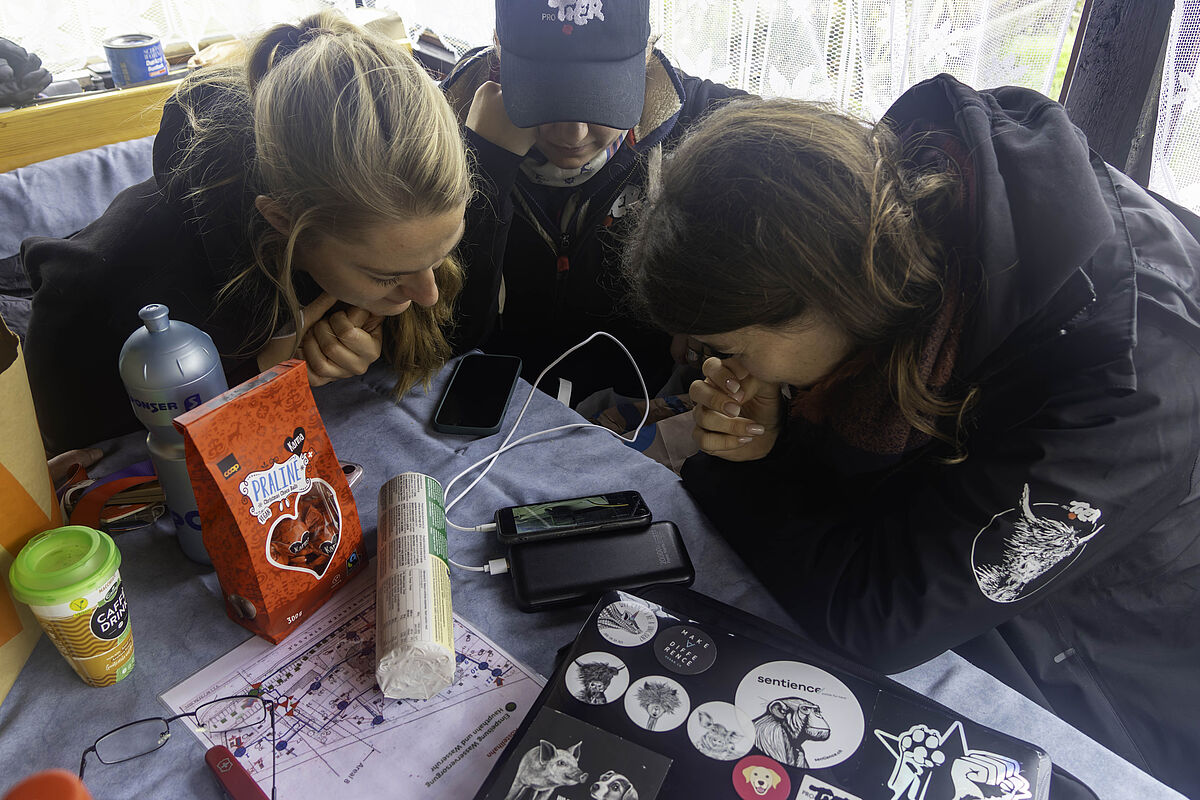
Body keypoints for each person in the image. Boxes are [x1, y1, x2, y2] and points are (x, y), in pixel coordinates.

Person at [624, 82, 1200, 796]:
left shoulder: (1129, 381)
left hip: (1106, 671)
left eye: (730, 343)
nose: (722, 366)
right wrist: (770, 439)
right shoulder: (903, 219)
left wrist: (737, 471)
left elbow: (879, 618)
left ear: (821, 297)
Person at [22, 11, 470, 453]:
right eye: (386, 275)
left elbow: (460, 341)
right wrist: (261, 372)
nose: (428, 293)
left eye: (439, 254)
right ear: (281, 222)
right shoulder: (123, 285)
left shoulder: (405, 217)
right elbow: (74, 437)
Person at [441, 0, 743, 407]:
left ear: (646, 55)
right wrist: (487, 166)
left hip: (635, 409)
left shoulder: (703, 123)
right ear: (499, 49)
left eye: (600, 96)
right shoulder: (440, 127)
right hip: (493, 404)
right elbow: (451, 336)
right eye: (545, 92)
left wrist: (714, 300)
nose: (572, 133)